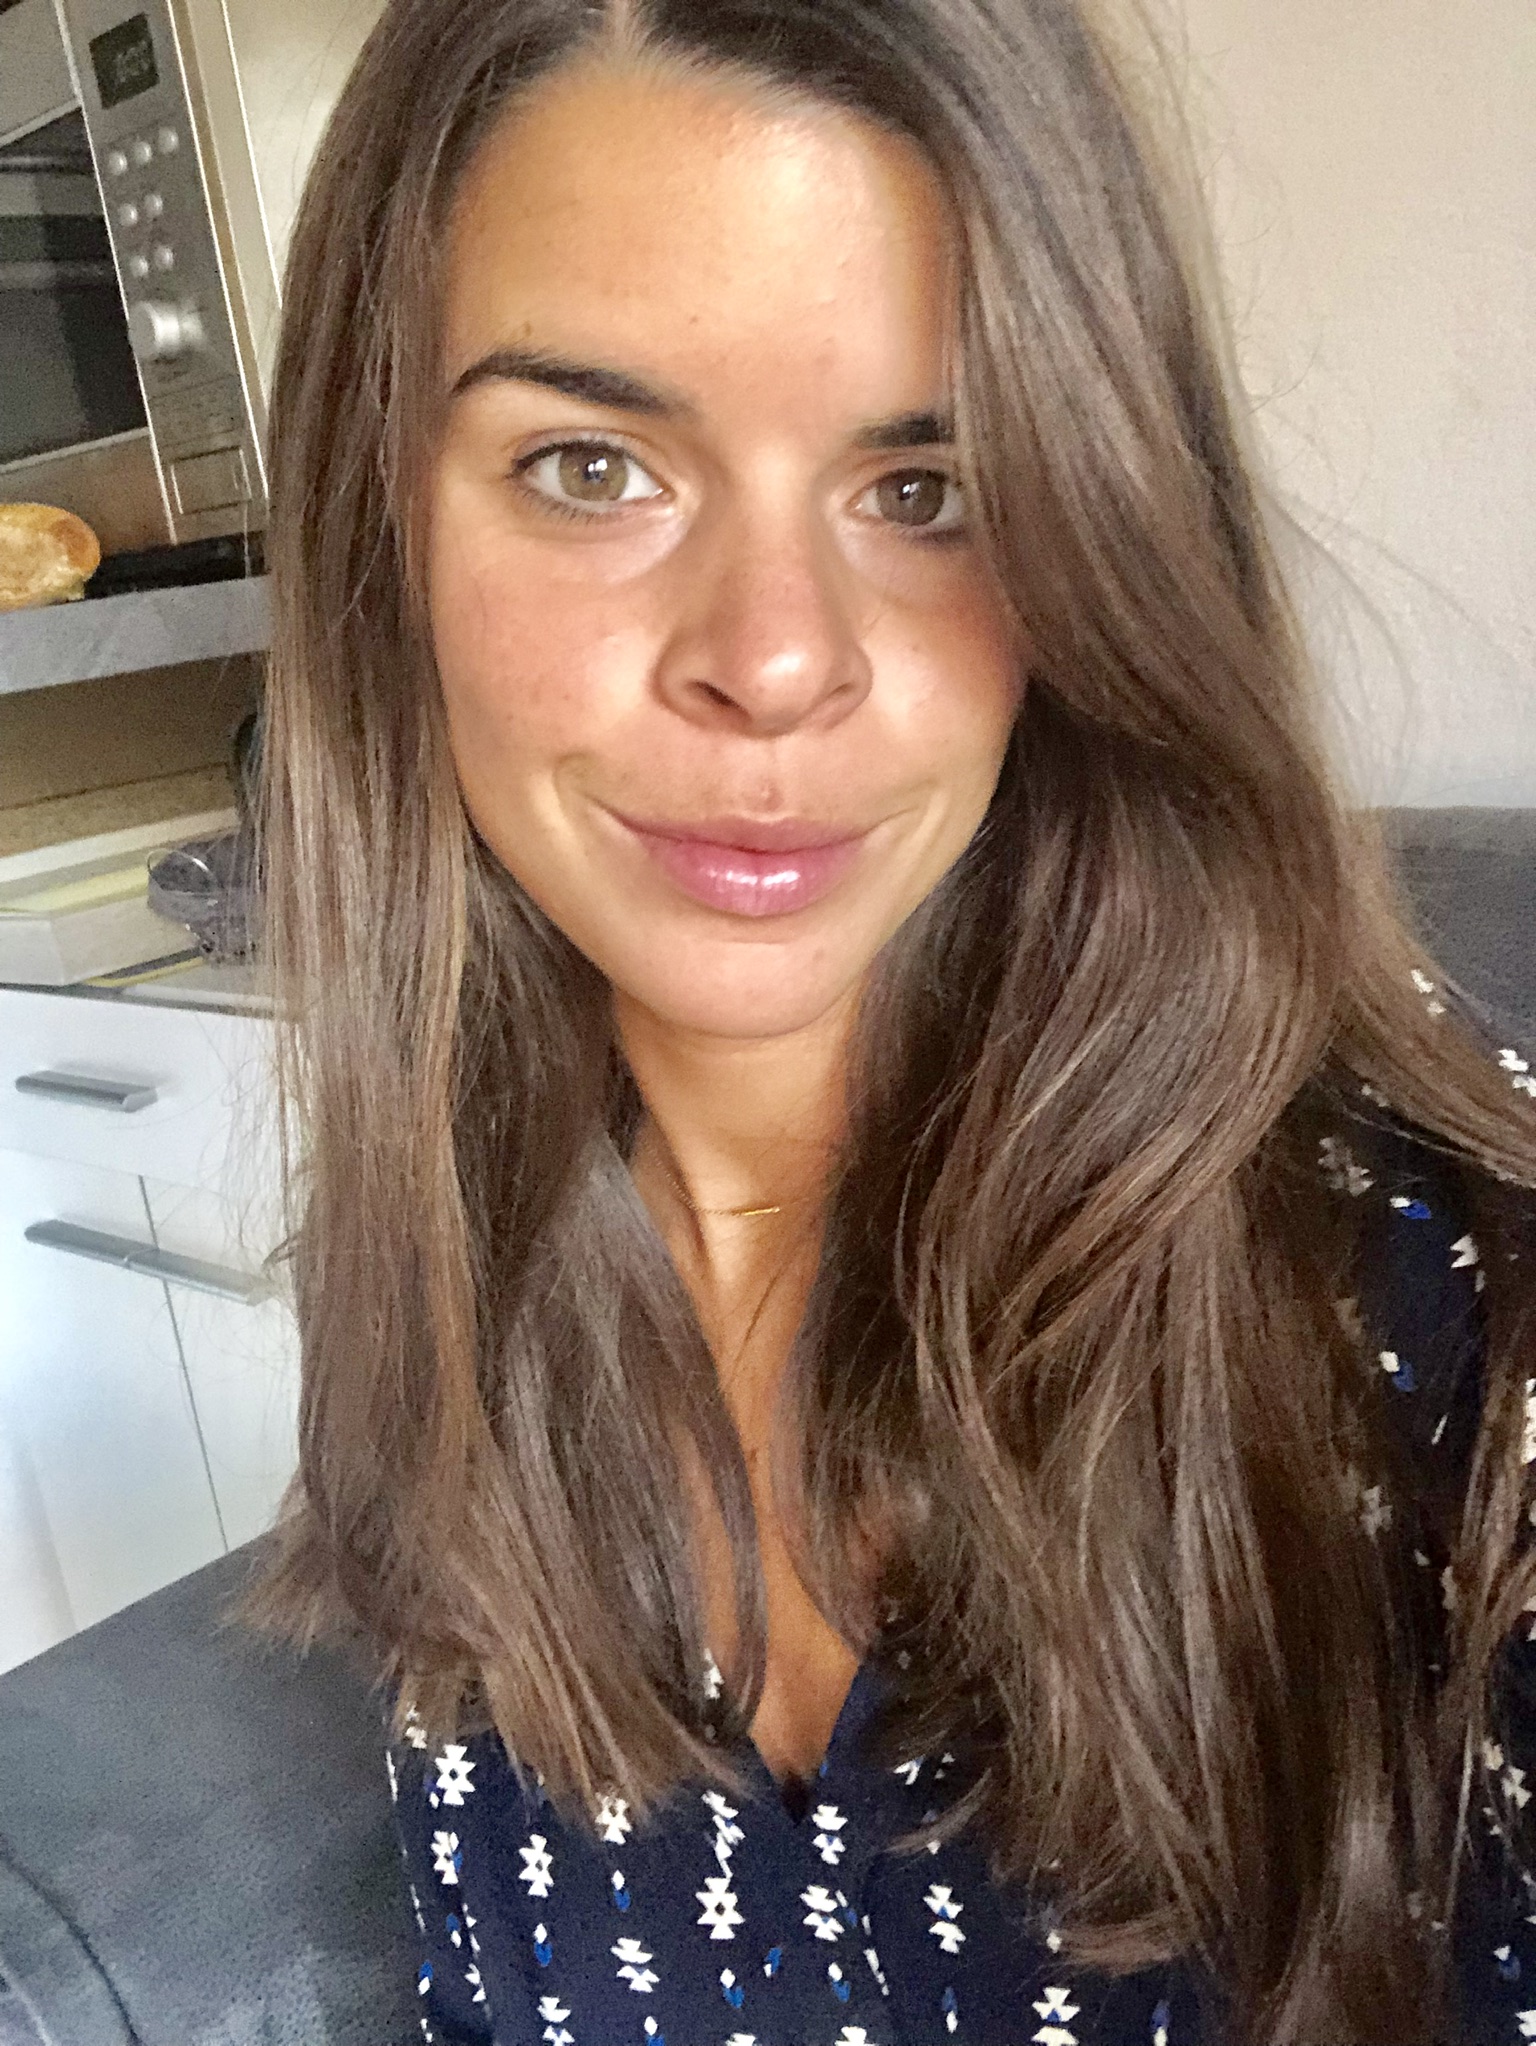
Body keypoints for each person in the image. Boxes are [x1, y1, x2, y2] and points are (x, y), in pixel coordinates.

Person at [246, 1, 1536, 2040]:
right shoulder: (440, 1274)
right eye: (592, 467)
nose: (776, 660)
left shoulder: (1455, 1310)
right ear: (378, 530)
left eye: (927, 487)